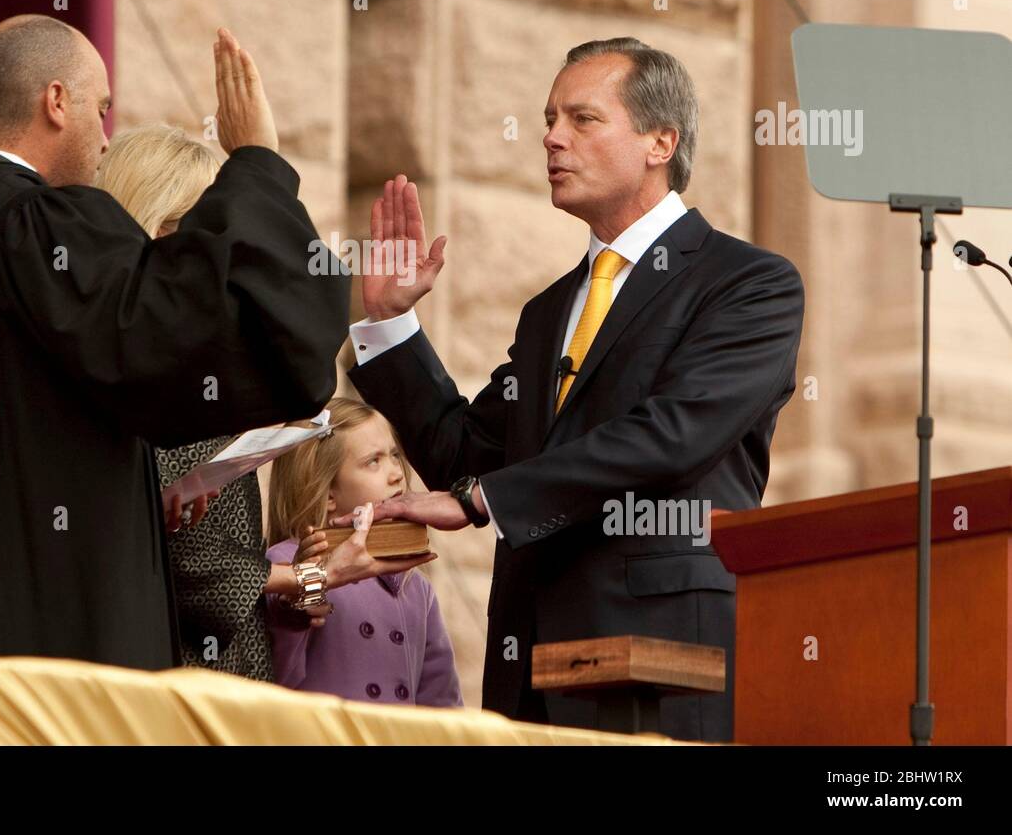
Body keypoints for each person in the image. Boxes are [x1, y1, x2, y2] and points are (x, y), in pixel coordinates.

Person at [0, 16, 350, 671]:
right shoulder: (46, 232)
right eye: (101, 110)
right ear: (55, 102)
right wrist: (258, 172)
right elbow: (214, 340)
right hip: (45, 669)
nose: (106, 139)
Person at [341, 37, 805, 741]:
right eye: (549, 120)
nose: (552, 138)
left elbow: (672, 436)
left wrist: (483, 500)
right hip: (530, 664)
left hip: (664, 661)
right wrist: (390, 323)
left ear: (660, 141)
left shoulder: (748, 284)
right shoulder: (547, 312)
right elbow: (465, 452)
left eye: (582, 119)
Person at [96, 126, 427, 679]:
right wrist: (320, 576)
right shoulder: (164, 363)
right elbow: (199, 569)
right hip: (182, 682)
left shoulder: (139, 347)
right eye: (209, 236)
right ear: (162, 232)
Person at [264, 397, 460, 708]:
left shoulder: (417, 587)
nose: (396, 472)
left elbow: (442, 707)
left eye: (395, 455)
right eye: (374, 461)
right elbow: (273, 680)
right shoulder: (286, 563)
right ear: (329, 492)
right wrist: (304, 596)